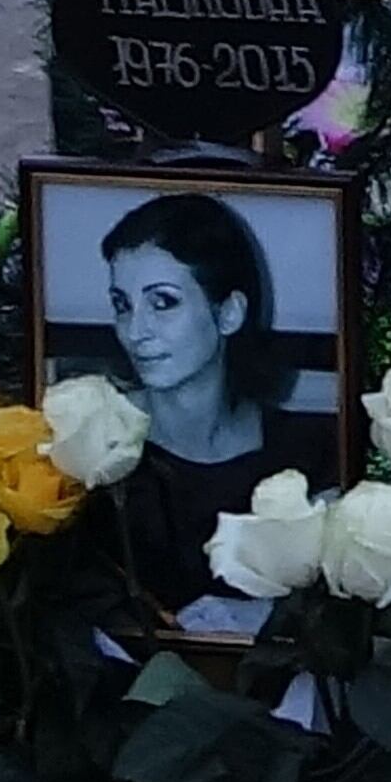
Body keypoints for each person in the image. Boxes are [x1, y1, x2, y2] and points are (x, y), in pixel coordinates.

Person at [76, 190, 333, 628]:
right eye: (122, 305)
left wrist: (266, 619)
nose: (135, 331)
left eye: (163, 303)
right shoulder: (90, 444)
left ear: (229, 313)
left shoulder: (306, 451)